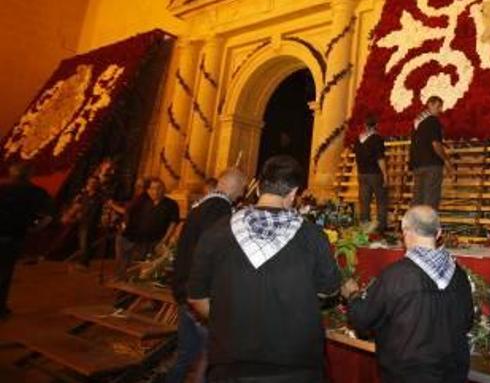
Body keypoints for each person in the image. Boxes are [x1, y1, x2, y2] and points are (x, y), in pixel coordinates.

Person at [187, 155, 340, 382]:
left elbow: (197, 298)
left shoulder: (216, 232)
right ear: (293, 194)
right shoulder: (313, 236)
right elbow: (328, 291)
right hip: (296, 366)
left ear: (257, 187)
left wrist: (230, 319)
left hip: (231, 365)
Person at [342, 205, 473, 383]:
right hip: (452, 373)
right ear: (439, 232)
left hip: (408, 375)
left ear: (405, 232)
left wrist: (353, 295)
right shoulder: (458, 274)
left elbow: (363, 319)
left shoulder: (396, 275)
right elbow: (467, 322)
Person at [166, 168, 246, 383]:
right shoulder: (220, 211)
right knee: (209, 358)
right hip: (202, 296)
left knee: (187, 354)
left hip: (185, 290)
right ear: (235, 186)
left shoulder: (200, 207)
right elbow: (215, 256)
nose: (242, 194)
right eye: (242, 188)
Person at [0, 164, 55, 320]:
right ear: (30, 174)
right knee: (5, 273)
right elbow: (48, 216)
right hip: (12, 237)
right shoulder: (36, 193)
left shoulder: (2, 189)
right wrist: (35, 229)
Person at [116, 179, 179, 278]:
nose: (156, 191)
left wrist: (164, 240)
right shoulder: (143, 202)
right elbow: (129, 213)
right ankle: (128, 286)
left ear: (164, 189)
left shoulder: (171, 204)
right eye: (153, 188)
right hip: (140, 240)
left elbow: (173, 223)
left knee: (150, 268)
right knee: (135, 265)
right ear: (148, 191)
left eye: (159, 188)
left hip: (156, 241)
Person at [410, 96, 454, 210]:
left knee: (417, 198)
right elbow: (436, 144)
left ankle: (413, 226)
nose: (440, 110)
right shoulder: (433, 121)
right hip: (432, 165)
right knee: (431, 199)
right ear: (429, 104)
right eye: (438, 106)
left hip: (417, 165)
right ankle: (427, 227)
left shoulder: (417, 122)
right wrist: (447, 161)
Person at [355, 114, 389, 233]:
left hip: (362, 174)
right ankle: (381, 226)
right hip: (375, 174)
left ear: (365, 125)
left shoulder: (358, 139)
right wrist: (385, 175)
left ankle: (365, 225)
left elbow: (357, 158)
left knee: (364, 201)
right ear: (376, 125)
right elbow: (380, 158)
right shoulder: (377, 138)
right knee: (381, 200)